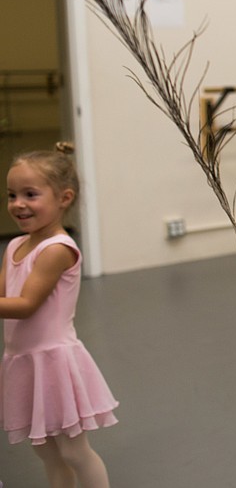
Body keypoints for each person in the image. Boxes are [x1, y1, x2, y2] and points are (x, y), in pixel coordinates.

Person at [0, 143, 117, 488]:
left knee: (73, 452)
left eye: (30, 194)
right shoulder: (14, 246)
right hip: (23, 361)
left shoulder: (56, 250)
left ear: (64, 198)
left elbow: (25, 304)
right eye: (11, 194)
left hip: (54, 362)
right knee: (46, 451)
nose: (18, 204)